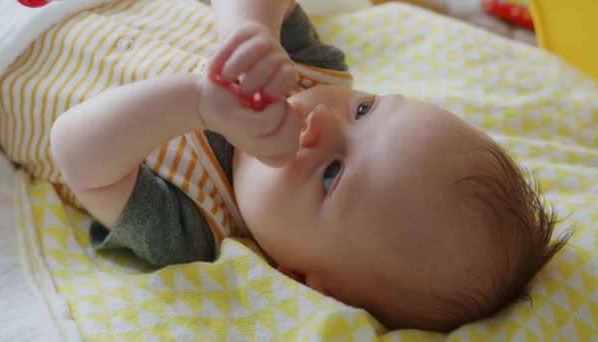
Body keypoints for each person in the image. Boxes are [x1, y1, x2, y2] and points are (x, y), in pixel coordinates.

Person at [44, 0, 568, 332]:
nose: (321, 118)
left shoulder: (192, 223)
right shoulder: (312, 74)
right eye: (366, 110)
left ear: (305, 279)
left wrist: (198, 103)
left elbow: (75, 150)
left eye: (331, 173)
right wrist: (249, 32)